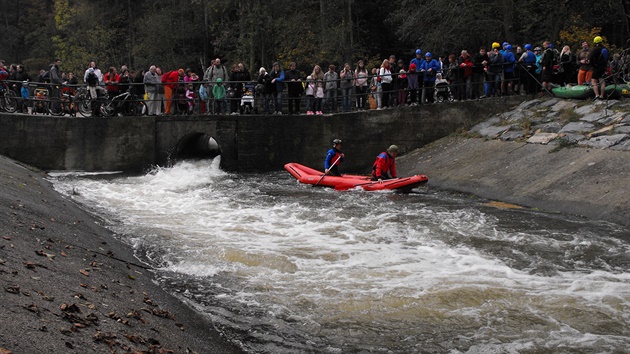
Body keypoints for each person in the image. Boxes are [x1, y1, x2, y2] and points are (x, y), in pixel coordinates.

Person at [589, 36, 609, 100]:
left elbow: (591, 58)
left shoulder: (595, 49)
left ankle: (597, 95)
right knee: (602, 81)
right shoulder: (605, 49)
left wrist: (593, 65)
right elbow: (607, 58)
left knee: (594, 81)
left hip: (596, 67)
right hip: (603, 67)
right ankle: (602, 96)